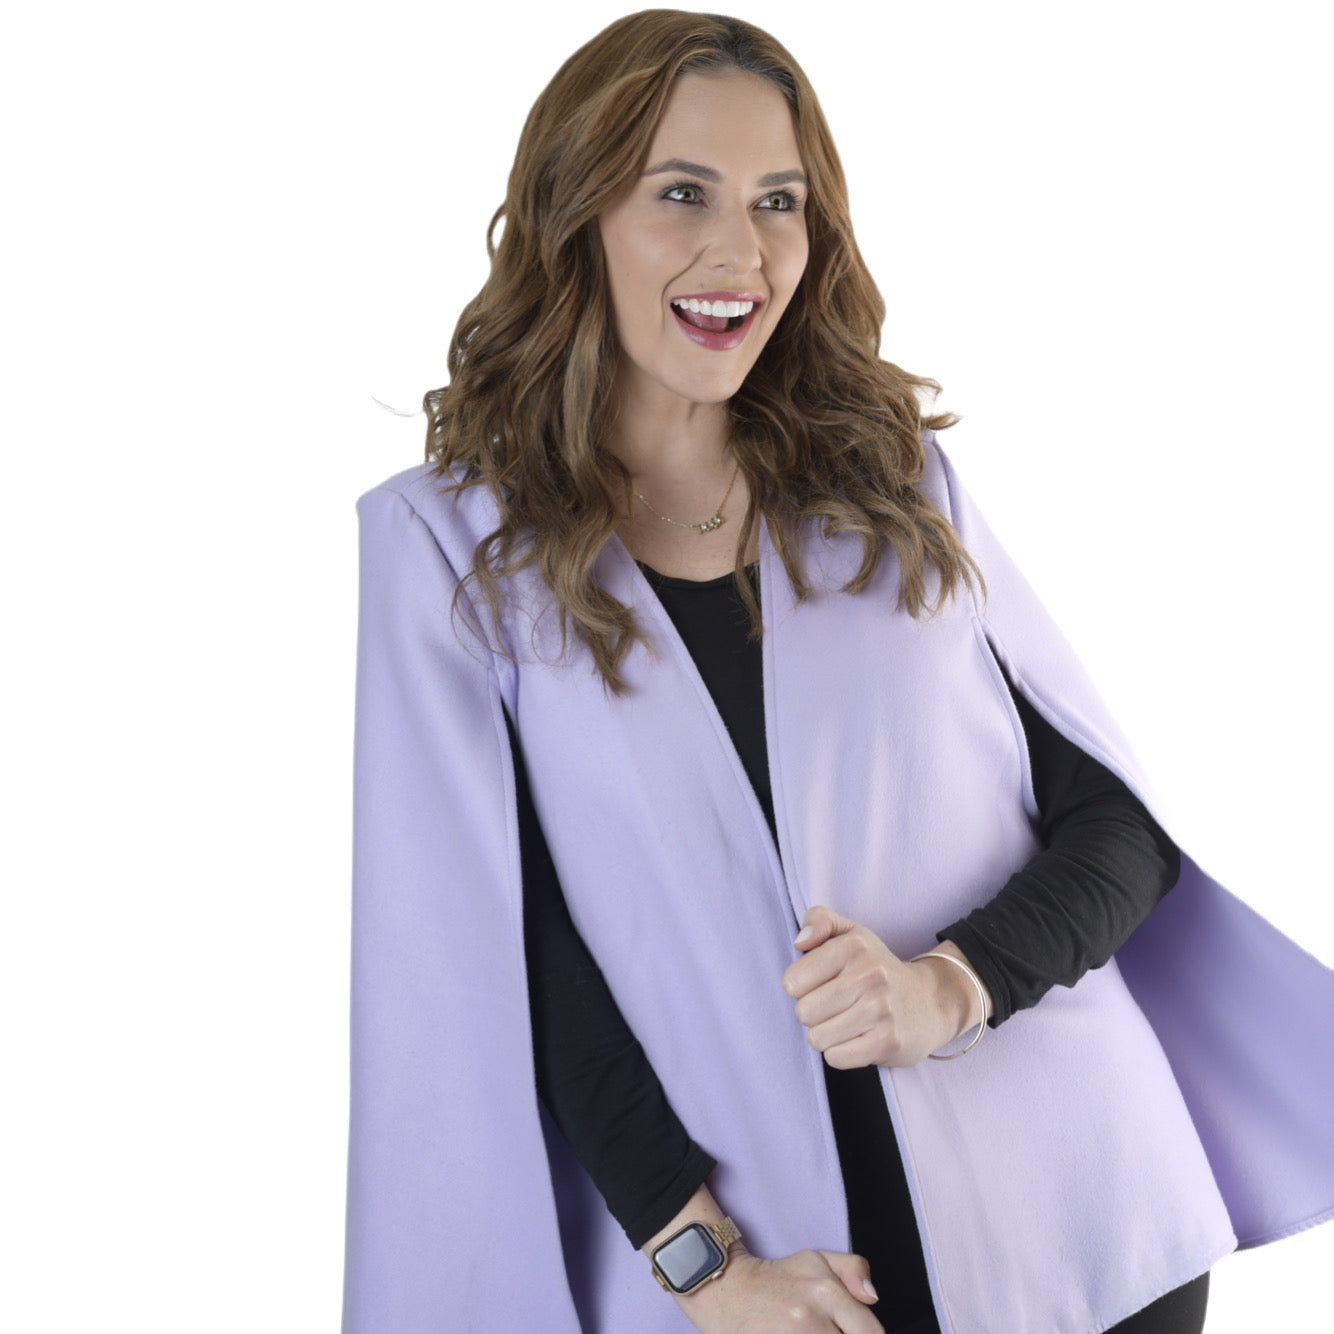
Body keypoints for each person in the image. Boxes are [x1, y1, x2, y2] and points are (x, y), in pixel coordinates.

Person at [341, 11, 1334, 1334]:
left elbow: (1117, 830)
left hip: (1076, 1231)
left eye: (778, 201)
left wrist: (946, 985)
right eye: (681, 193)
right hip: (774, 1280)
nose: (740, 252)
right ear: (574, 216)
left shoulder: (890, 482)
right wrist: (703, 1266)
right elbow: (502, 954)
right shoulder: (449, 550)